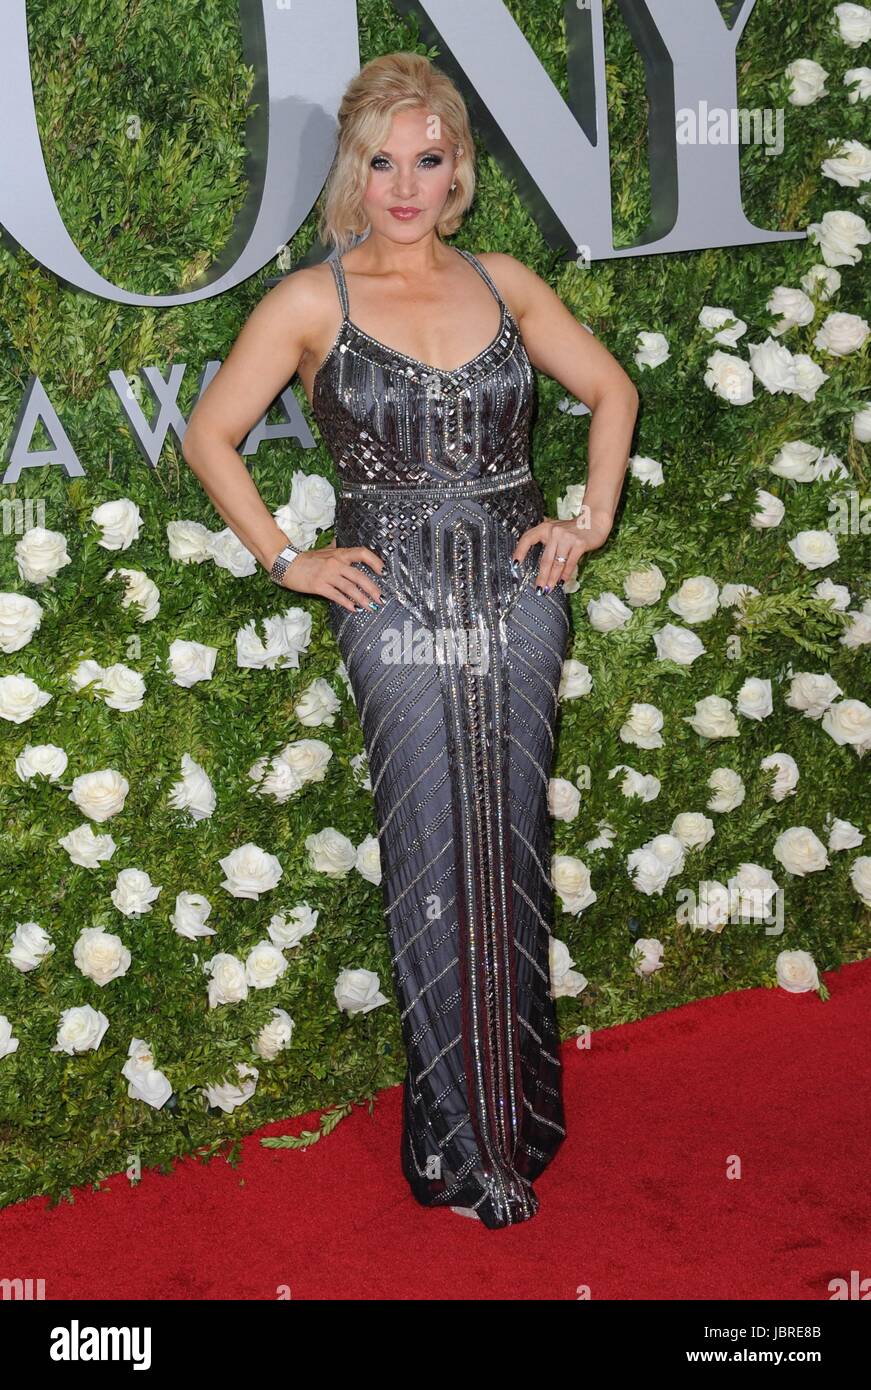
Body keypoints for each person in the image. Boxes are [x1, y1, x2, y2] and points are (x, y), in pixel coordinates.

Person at [182, 51, 638, 1229]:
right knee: (431, 856)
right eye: (381, 160)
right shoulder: (308, 300)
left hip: (517, 599)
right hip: (391, 613)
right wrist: (288, 560)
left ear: (457, 174)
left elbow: (612, 392)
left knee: (513, 844)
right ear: (355, 170)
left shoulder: (507, 281)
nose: (403, 183)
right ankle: (454, 1139)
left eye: (426, 160)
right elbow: (210, 437)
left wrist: (584, 522)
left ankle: (520, 1120)